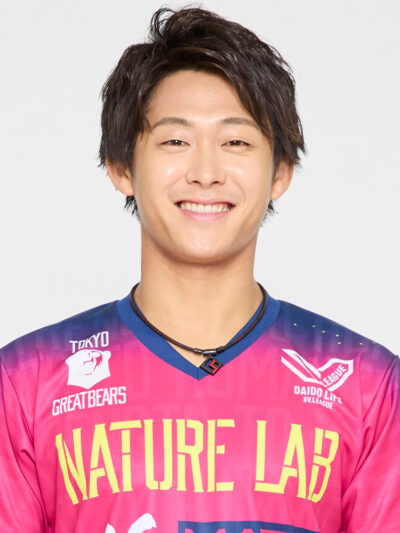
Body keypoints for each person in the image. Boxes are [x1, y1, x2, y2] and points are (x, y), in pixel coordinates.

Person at [0, 5, 399, 533]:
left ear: (280, 171)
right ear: (122, 167)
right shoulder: (26, 382)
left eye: (235, 142)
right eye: (175, 141)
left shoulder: (368, 386)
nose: (206, 173)